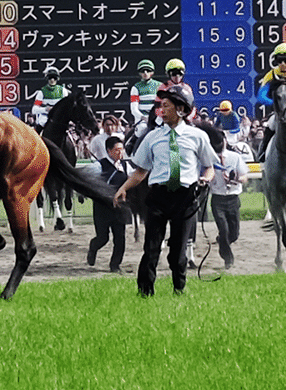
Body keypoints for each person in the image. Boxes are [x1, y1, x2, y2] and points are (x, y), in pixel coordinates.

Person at [113, 83, 218, 296]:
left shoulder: (197, 137)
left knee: (178, 252)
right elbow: (141, 171)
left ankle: (179, 289)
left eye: (166, 105)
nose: (161, 110)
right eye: (161, 105)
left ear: (181, 109)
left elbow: (210, 167)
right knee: (151, 248)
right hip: (158, 196)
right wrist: (123, 188)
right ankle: (144, 293)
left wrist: (205, 180)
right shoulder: (152, 137)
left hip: (186, 197)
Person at [87, 135, 131, 273]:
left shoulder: (126, 166)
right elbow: (88, 183)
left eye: (121, 150)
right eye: (117, 150)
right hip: (102, 208)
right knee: (103, 237)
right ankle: (93, 248)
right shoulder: (98, 166)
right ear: (109, 151)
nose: (120, 153)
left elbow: (133, 181)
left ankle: (115, 265)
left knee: (120, 238)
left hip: (119, 207)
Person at [208, 126, 250, 270]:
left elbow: (245, 177)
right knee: (224, 229)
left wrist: (236, 178)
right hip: (218, 199)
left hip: (233, 198)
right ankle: (228, 259)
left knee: (234, 233)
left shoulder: (235, 157)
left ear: (225, 141)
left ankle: (223, 242)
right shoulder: (209, 158)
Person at [128, 59, 161, 124]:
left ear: (152, 72)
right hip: (142, 121)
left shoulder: (160, 86)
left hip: (158, 119)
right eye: (143, 71)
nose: (145, 73)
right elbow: (134, 109)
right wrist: (144, 118)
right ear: (139, 73)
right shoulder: (135, 88)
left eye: (148, 70)